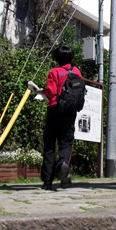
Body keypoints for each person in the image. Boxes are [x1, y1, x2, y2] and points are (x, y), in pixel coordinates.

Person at [38, 45, 82, 190]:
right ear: (71, 58)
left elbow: (51, 92)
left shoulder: (54, 72)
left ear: (56, 59)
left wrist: (41, 91)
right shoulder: (76, 71)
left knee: (50, 145)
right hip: (70, 112)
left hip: (54, 109)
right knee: (66, 142)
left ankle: (47, 181)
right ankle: (63, 164)